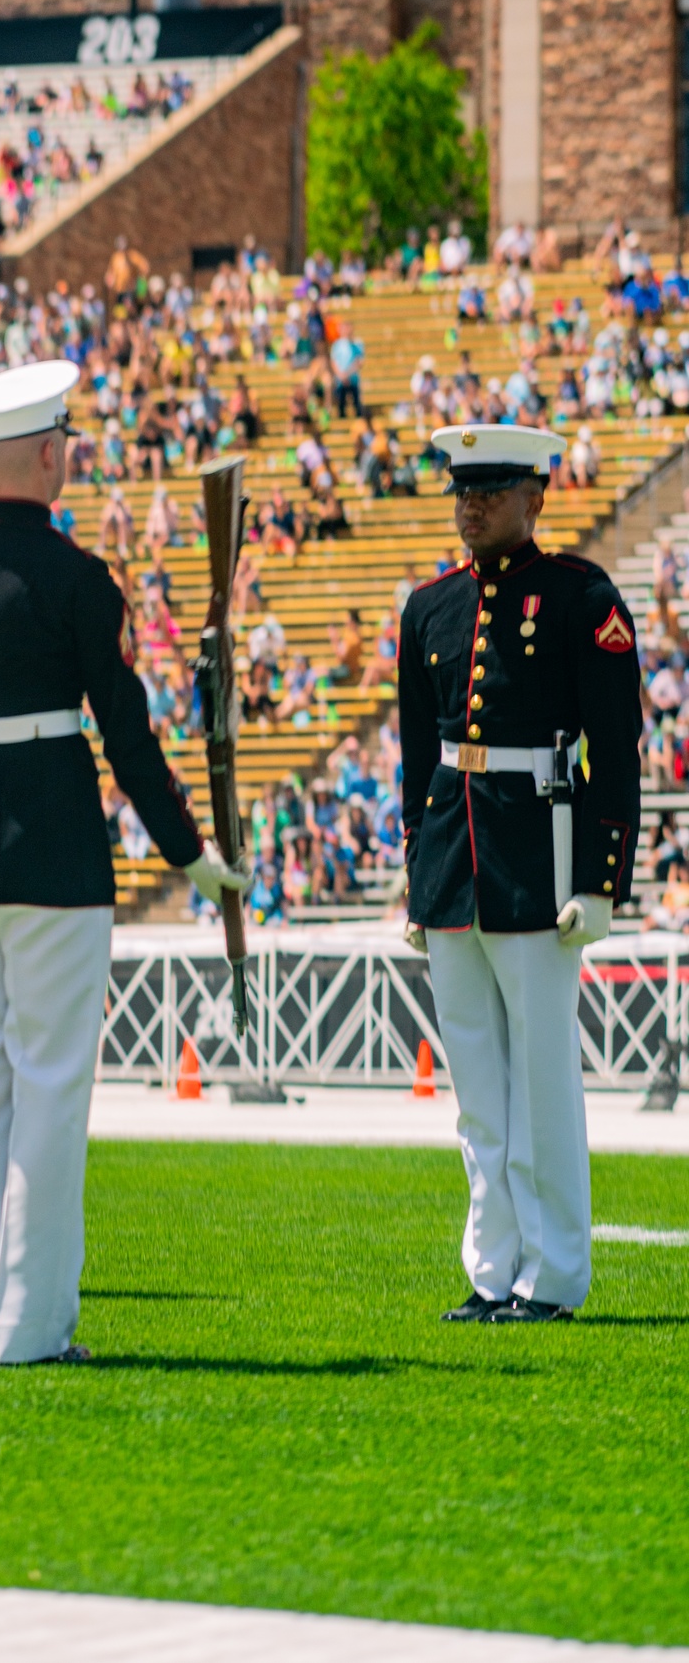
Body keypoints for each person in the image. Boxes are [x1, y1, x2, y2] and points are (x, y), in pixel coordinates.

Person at [0, 360, 248, 1366]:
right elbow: (124, 735)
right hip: (45, 847)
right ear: (47, 453)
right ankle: (30, 1324)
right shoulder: (80, 578)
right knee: (46, 1085)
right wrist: (191, 852)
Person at [399, 423, 642, 1325]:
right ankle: (492, 1267)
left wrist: (600, 878)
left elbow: (616, 750)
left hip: (539, 852)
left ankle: (553, 1276)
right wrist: (418, 875)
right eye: (463, 488)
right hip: (453, 859)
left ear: (537, 496)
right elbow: (416, 754)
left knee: (541, 1083)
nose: (473, 504)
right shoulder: (428, 608)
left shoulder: (582, 596)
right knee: (476, 1091)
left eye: (493, 489)